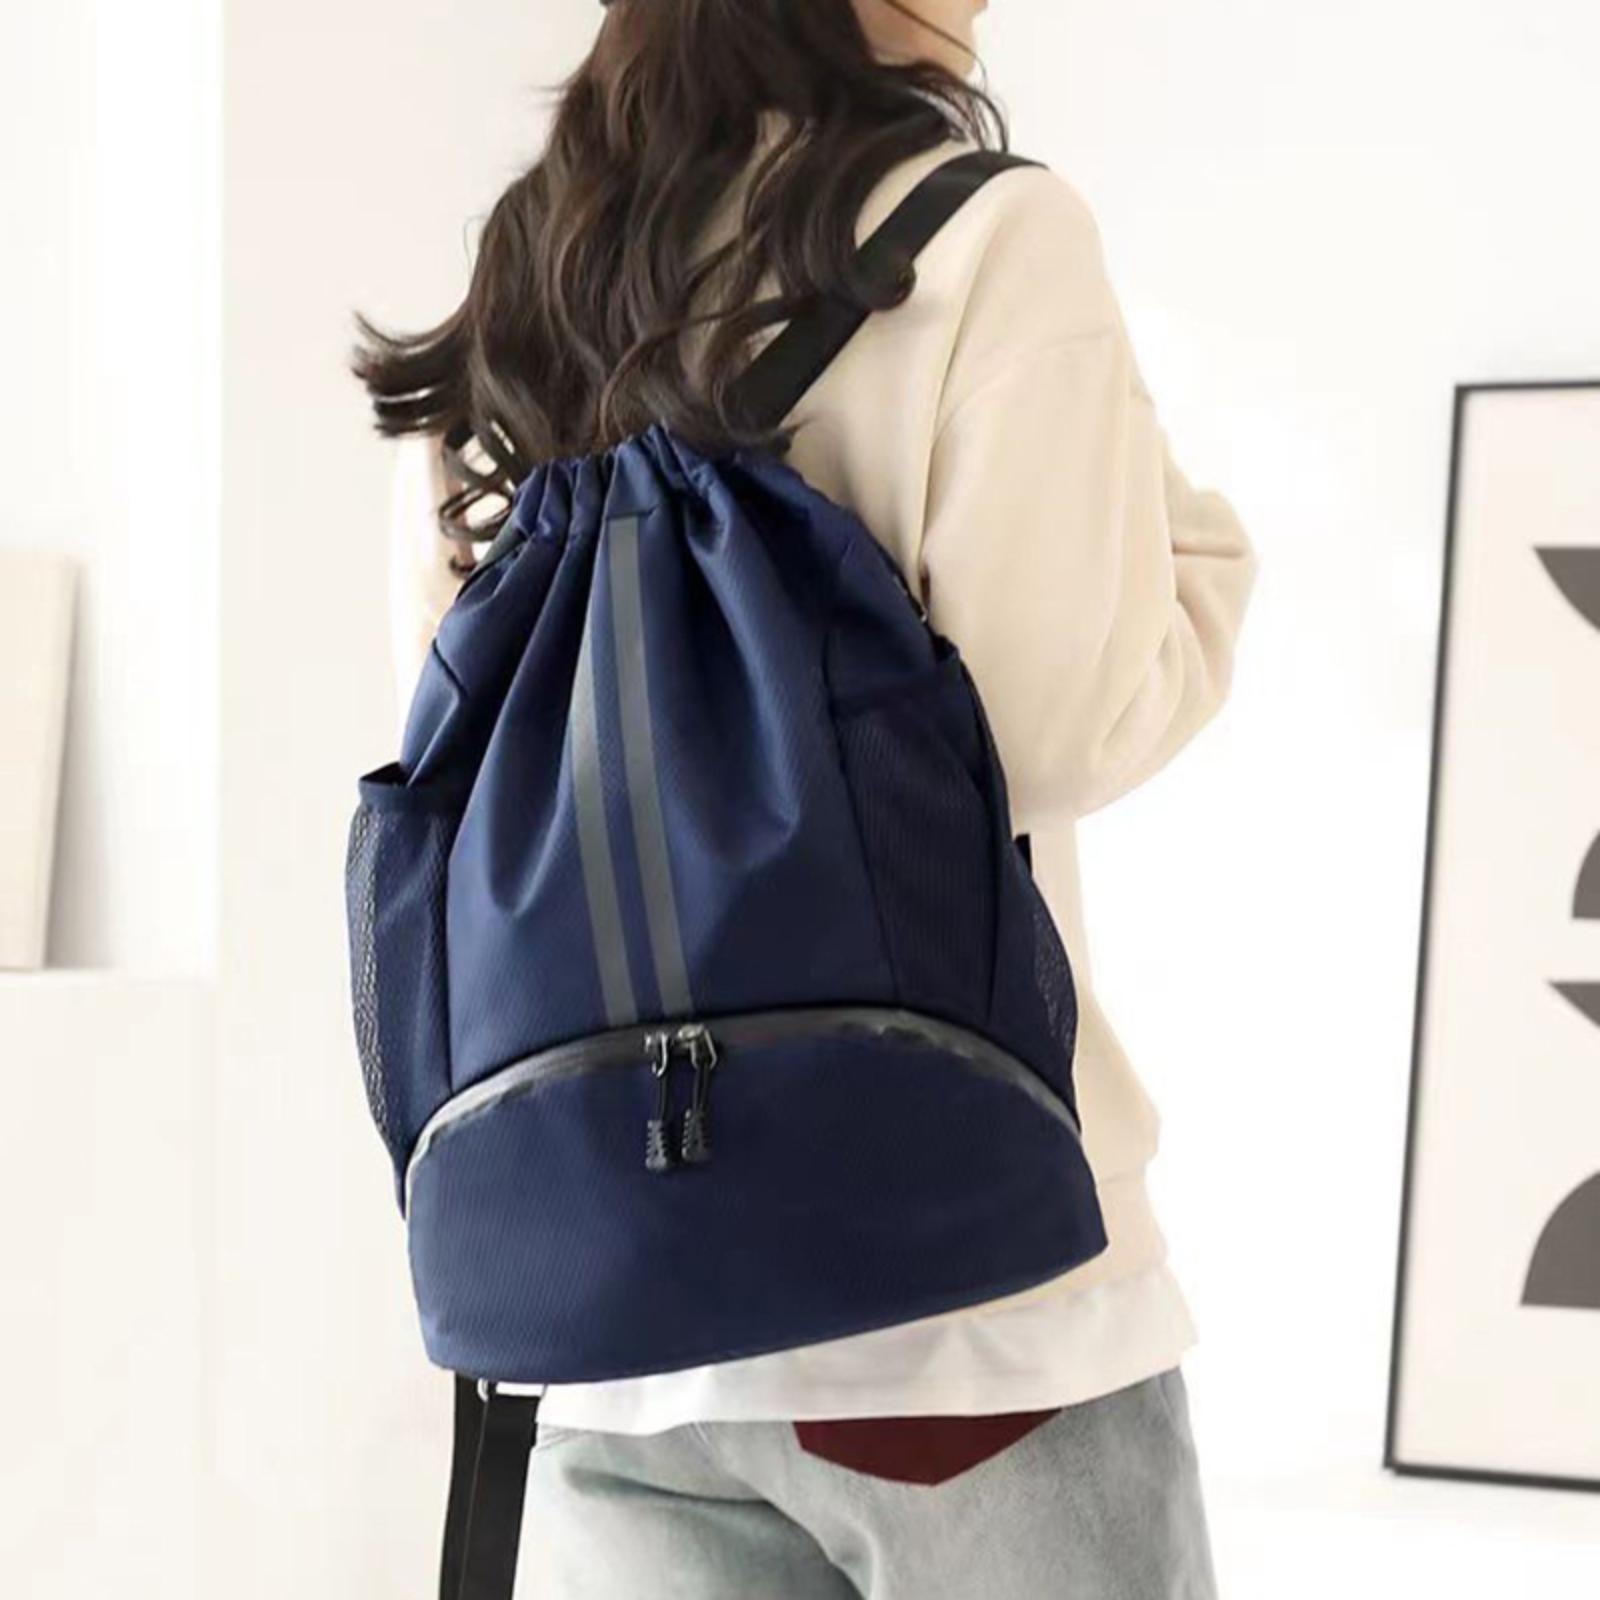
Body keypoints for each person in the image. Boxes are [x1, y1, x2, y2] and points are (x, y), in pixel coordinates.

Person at [355, 1, 1258, 1594]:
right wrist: (1197, 572)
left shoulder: (532, 271)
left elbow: (457, 720)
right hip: (964, 1317)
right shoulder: (986, 236)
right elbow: (1047, 731)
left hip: (609, 1329)